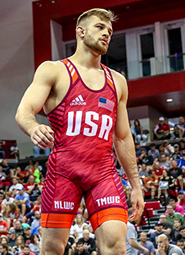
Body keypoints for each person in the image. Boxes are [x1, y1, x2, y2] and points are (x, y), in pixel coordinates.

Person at [15, 8, 144, 255]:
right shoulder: (54, 70)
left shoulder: (117, 81)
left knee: (117, 246)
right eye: (100, 27)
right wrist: (34, 127)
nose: (107, 33)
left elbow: (123, 136)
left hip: (103, 174)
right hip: (64, 173)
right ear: (80, 31)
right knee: (53, 248)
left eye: (110, 30)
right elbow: (24, 110)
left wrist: (136, 184)